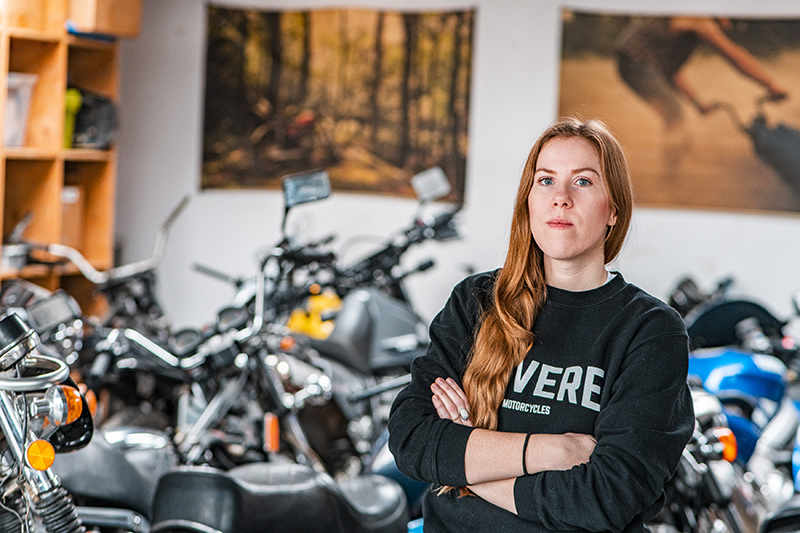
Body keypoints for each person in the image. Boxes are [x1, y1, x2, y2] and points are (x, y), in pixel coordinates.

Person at [387, 117, 694, 532]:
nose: (561, 198)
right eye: (545, 181)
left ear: (614, 210)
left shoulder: (651, 331)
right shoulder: (476, 303)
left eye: (583, 182)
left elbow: (606, 498)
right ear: (528, 200)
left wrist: (463, 471)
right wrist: (552, 451)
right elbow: (411, 440)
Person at [615, 16, 787, 129]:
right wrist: (770, 84)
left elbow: (672, 71)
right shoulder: (698, 19)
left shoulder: (686, 34)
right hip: (635, 59)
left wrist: (696, 101)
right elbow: (733, 55)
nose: (727, 25)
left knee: (676, 118)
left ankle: (675, 168)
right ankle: (671, 180)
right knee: (676, 117)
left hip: (636, 61)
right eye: (729, 18)